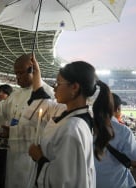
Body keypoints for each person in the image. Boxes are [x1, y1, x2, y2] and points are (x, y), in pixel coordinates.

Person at [0, 54, 66, 188]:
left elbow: (48, 129)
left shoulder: (47, 94)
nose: (17, 77)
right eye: (16, 73)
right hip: (14, 155)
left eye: (21, 73)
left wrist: (13, 131)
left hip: (32, 155)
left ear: (32, 69)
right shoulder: (16, 94)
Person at [28, 57, 114, 188]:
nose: (54, 89)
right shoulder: (77, 119)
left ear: (74, 87)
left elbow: (63, 181)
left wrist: (39, 157)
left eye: (58, 83)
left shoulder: (72, 128)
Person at [94, 93, 136, 188]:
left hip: (92, 183)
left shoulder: (87, 125)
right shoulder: (123, 130)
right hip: (116, 184)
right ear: (117, 109)